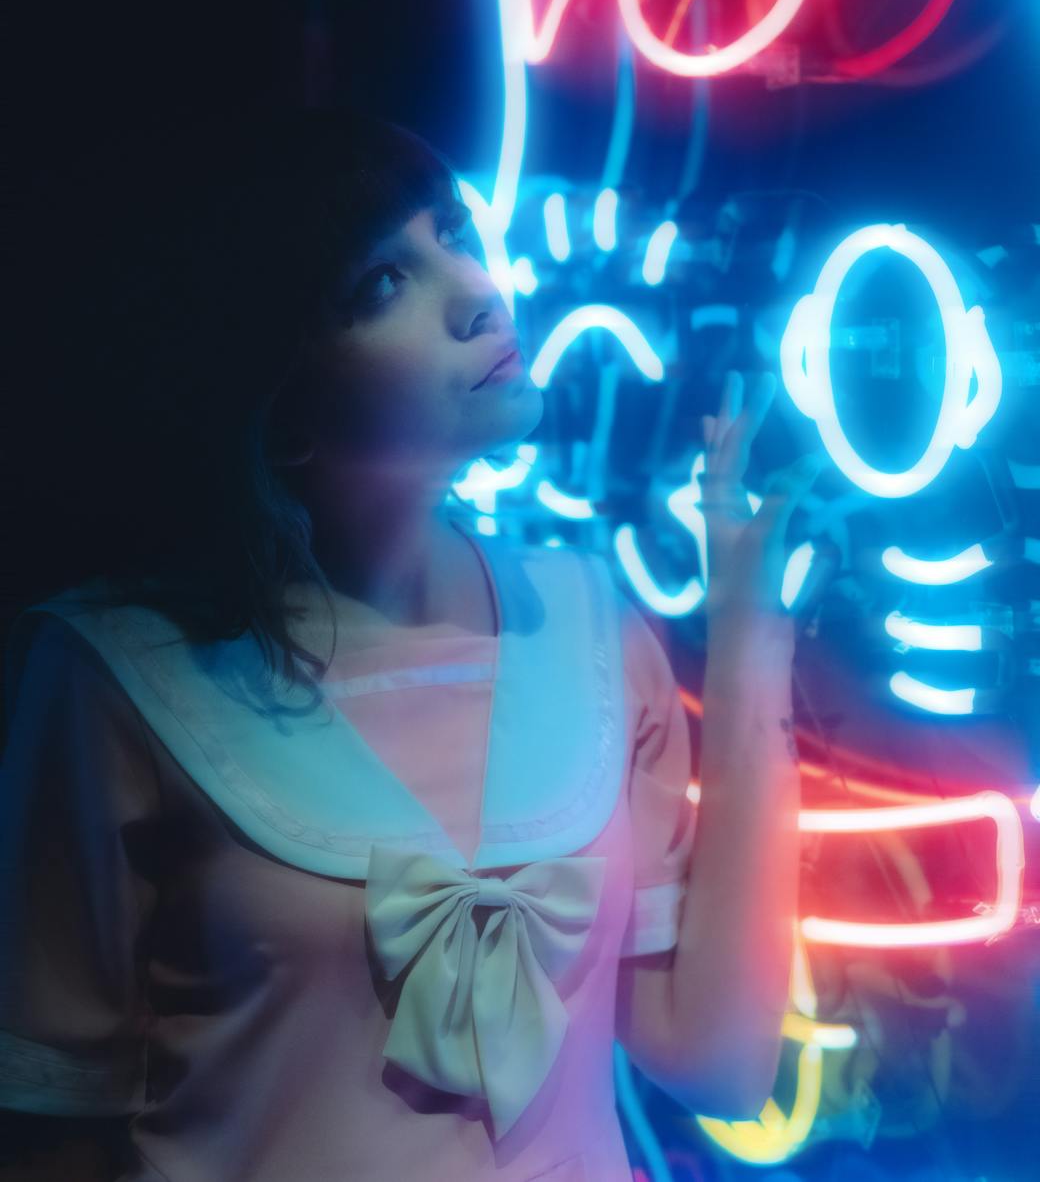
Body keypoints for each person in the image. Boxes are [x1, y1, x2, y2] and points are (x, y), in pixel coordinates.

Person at [0, 111, 817, 1181]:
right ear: (279, 392)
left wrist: (749, 631)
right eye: (382, 282)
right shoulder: (119, 675)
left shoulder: (592, 628)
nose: (478, 292)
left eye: (458, 235)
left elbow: (713, 1058)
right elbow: (53, 1126)